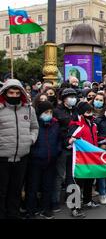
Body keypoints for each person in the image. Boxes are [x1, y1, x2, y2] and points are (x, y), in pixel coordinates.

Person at [0, 79, 39, 219]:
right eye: (11, 92)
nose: (14, 95)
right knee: (2, 191)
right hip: (2, 158)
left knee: (16, 191)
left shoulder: (29, 109)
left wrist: (31, 139)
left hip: (22, 157)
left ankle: (13, 215)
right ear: (5, 93)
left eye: (17, 93)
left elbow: (34, 127)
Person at [25, 101, 61, 219]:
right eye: (46, 112)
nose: (49, 114)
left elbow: (59, 140)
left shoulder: (55, 124)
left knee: (48, 186)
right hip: (35, 161)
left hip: (51, 160)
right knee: (32, 187)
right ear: (39, 113)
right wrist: (34, 154)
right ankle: (31, 210)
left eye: (50, 112)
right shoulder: (33, 124)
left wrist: (57, 151)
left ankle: (46, 209)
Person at [67, 102, 100, 215]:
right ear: (81, 113)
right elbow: (70, 139)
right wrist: (71, 141)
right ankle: (74, 207)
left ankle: (87, 201)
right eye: (87, 112)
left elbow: (96, 137)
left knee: (89, 180)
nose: (90, 114)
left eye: (91, 111)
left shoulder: (94, 125)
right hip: (80, 159)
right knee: (78, 181)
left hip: (91, 158)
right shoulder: (77, 125)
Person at [52, 88, 79, 213]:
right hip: (62, 148)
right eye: (70, 96)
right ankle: (55, 201)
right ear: (63, 99)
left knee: (71, 175)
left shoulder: (76, 111)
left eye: (74, 96)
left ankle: (71, 199)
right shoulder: (56, 111)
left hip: (74, 147)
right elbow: (56, 130)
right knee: (59, 176)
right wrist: (65, 141)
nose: (73, 98)